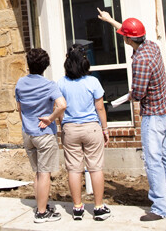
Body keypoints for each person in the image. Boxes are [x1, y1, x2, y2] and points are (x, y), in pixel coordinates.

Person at [97, 8, 166, 221]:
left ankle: (161, 208)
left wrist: (128, 96)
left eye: (124, 37)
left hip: (154, 115)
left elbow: (138, 93)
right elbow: (128, 31)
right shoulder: (151, 46)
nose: (124, 38)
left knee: (153, 160)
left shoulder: (140, 60)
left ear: (128, 40)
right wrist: (110, 21)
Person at [57, 44, 111, 221]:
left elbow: (59, 107)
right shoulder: (92, 82)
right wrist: (105, 129)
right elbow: (100, 107)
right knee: (95, 168)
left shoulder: (62, 83)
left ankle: (78, 208)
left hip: (70, 128)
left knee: (74, 169)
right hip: (91, 128)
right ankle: (98, 207)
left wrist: (62, 125)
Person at [15, 48, 68, 223]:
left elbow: (19, 108)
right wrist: (50, 119)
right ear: (46, 66)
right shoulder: (49, 85)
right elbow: (62, 105)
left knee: (37, 172)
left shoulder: (20, 83)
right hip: (44, 134)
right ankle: (42, 213)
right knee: (45, 173)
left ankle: (40, 206)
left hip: (28, 133)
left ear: (28, 64)